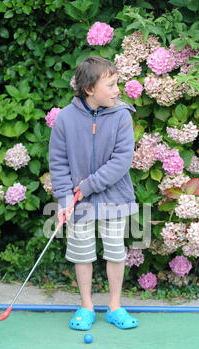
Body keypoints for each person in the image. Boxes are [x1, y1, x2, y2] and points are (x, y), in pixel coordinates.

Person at [49, 56, 139, 331]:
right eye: (111, 85)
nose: (117, 90)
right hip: (77, 203)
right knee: (81, 253)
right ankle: (86, 305)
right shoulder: (65, 118)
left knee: (115, 251)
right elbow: (59, 162)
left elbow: (121, 161)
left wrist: (87, 186)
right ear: (90, 89)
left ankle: (114, 305)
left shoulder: (122, 115)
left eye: (117, 84)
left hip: (114, 198)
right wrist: (65, 199)